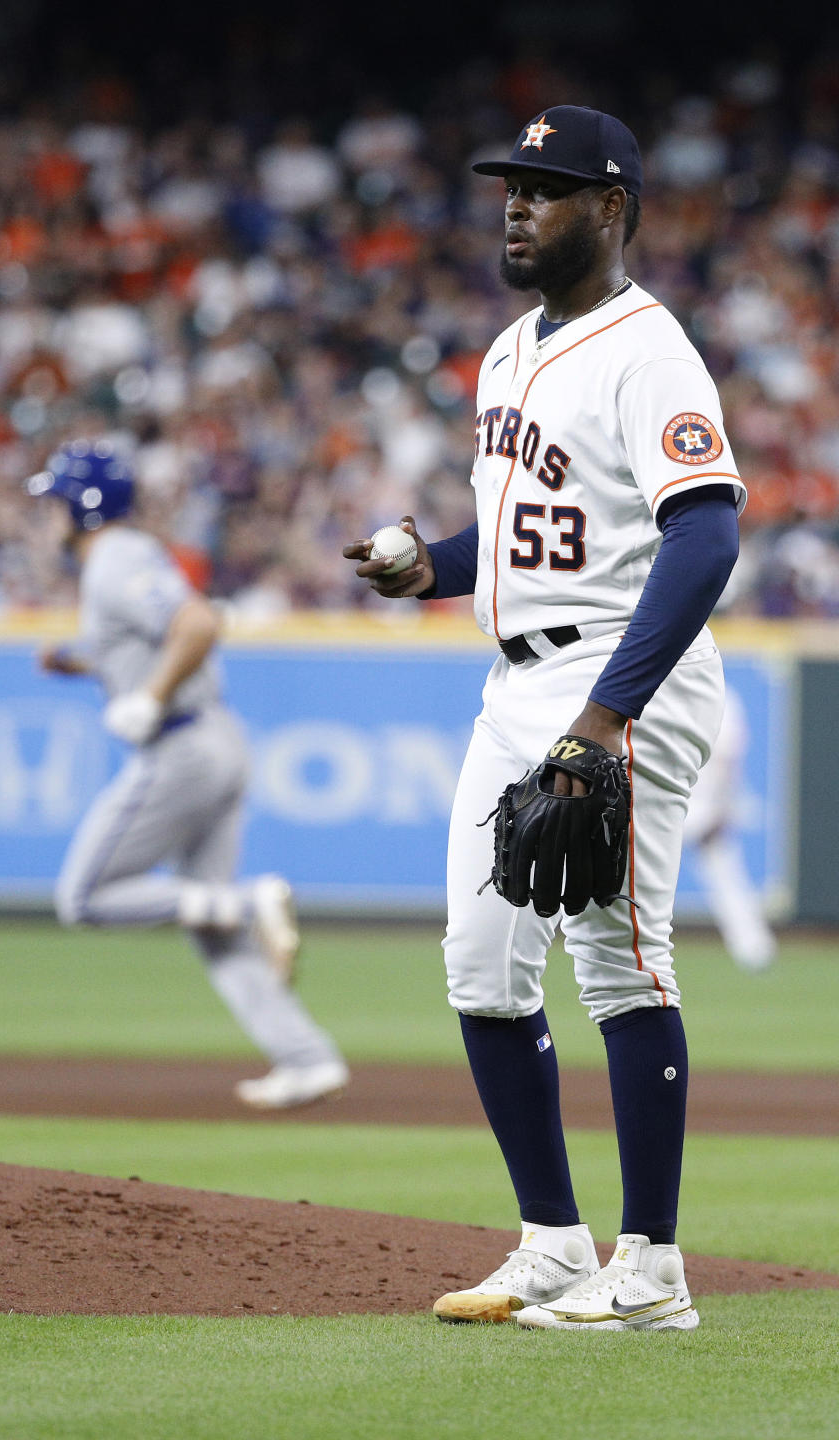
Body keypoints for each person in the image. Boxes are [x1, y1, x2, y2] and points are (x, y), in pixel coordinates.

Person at [346, 106, 744, 1331]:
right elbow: (530, 546)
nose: (518, 206)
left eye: (549, 188)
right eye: (512, 186)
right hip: (514, 679)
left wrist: (607, 718)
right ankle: (554, 1243)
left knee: (621, 964)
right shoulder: (511, 349)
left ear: (613, 208)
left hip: (626, 677)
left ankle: (656, 1274)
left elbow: (706, 529)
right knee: (479, 965)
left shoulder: (650, 351)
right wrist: (434, 565)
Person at [27, 440, 348, 1109]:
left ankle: (249, 901)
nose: (48, 515)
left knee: (84, 896)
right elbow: (152, 640)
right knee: (208, 921)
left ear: (85, 506)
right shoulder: (118, 559)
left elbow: (199, 622)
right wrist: (85, 664)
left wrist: (148, 697)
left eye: (56, 501)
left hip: (185, 746)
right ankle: (306, 1058)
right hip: (215, 739)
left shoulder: (113, 558)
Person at [683, 686, 777, 972]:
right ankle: (755, 950)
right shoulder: (713, 693)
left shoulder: (722, 696)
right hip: (678, 799)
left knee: (725, 877)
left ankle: (755, 950)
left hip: (700, 803)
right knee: (726, 877)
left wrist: (722, 807)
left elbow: (727, 760)